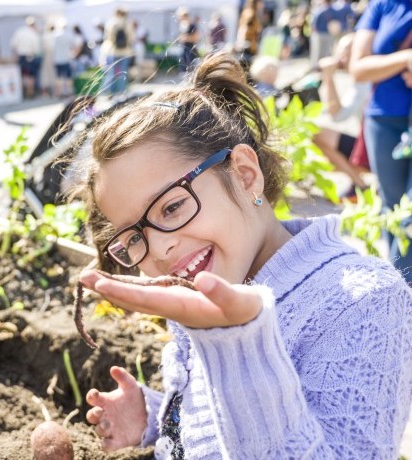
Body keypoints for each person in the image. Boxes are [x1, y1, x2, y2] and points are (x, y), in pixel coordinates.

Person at [71, 52, 412, 458]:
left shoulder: (361, 302)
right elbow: (218, 422)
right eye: (134, 238)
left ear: (245, 173)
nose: (159, 248)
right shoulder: (213, 280)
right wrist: (158, 418)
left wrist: (235, 342)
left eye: (172, 207)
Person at [349, 0, 412, 283]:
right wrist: (405, 59)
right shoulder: (383, 6)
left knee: (409, 210)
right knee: (392, 207)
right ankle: (401, 287)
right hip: (384, 120)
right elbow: (358, 68)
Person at [313, 32, 371, 193]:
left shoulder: (364, 80)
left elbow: (337, 115)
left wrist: (329, 78)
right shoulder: (361, 79)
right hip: (371, 144)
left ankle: (360, 185)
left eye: (347, 50)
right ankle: (358, 183)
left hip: (375, 149)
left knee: (319, 134)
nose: (341, 56)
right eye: (340, 50)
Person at [102, 7, 134, 95]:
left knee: (111, 72)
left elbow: (107, 38)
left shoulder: (110, 23)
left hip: (113, 51)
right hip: (125, 52)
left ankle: (109, 92)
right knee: (123, 73)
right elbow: (131, 39)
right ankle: (122, 92)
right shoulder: (128, 23)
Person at [11, 16, 42, 99]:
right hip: (30, 56)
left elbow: (13, 45)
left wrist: (16, 54)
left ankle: (23, 92)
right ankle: (30, 92)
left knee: (23, 75)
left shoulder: (19, 32)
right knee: (31, 76)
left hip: (21, 56)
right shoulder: (33, 34)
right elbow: (36, 48)